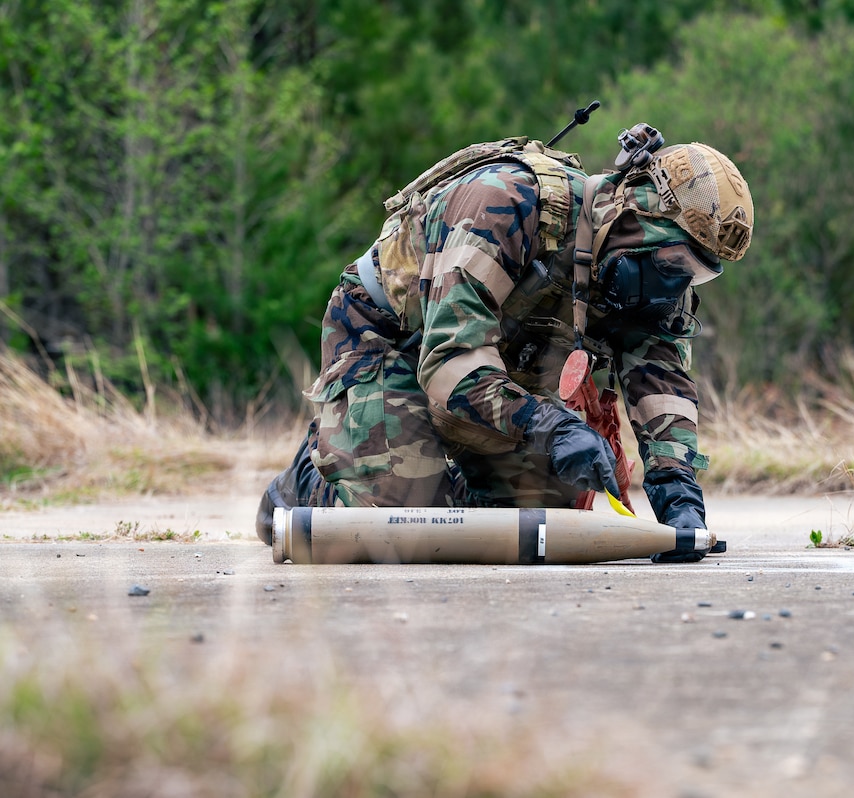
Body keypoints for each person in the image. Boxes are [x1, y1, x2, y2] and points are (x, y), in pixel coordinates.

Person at [256, 122, 753, 562]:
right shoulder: (506, 201)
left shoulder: (642, 276)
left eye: (694, 274)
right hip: (387, 344)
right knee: (403, 517)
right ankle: (310, 474)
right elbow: (451, 364)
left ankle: (433, 478)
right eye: (671, 260)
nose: (673, 284)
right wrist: (551, 426)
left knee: (541, 514)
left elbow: (662, 384)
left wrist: (678, 493)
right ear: (631, 212)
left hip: (491, 367)